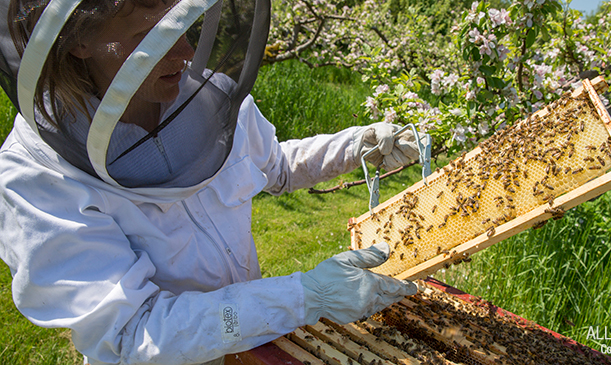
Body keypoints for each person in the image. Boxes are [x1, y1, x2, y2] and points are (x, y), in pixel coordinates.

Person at [0, 0, 421, 364]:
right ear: (79, 42)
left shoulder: (208, 99)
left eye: (182, 25)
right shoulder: (37, 179)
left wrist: (354, 146)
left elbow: (276, 168)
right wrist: (305, 296)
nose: (184, 53)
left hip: (254, 341)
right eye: (151, 36)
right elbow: (131, 333)